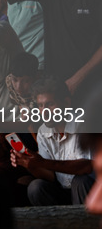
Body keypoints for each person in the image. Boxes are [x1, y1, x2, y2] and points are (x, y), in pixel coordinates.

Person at [11, 77, 94, 206]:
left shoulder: (83, 125)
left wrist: (43, 162)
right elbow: (49, 176)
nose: (44, 111)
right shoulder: (43, 132)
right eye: (40, 105)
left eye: (50, 104)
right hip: (64, 192)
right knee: (36, 187)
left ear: (66, 103)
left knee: (80, 181)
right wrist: (30, 163)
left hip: (90, 192)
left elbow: (86, 167)